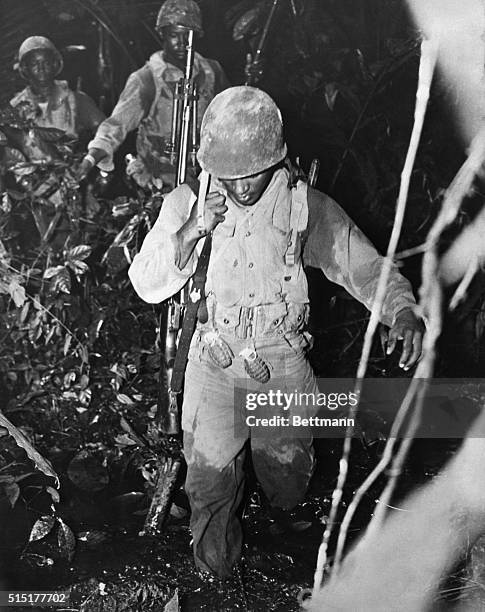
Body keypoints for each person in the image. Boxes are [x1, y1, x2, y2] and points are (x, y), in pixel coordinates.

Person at [128, 86, 425, 578]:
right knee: (208, 488)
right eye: (231, 175)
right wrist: (189, 233)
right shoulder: (186, 202)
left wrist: (402, 310)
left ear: (277, 159)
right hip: (213, 363)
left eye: (254, 173)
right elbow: (145, 283)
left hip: (281, 363)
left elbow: (365, 267)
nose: (242, 187)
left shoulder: (302, 207)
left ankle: (278, 512)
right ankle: (216, 583)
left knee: (286, 484)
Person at [78, 0, 230, 189]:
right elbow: (116, 125)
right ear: (162, 34)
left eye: (188, 36)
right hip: (158, 179)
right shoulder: (146, 80)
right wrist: (91, 158)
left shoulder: (212, 72)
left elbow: (230, 119)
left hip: (206, 176)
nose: (182, 43)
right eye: (174, 35)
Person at [10, 36, 105, 151]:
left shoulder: (76, 100)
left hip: (72, 166)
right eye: (34, 63)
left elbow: (105, 130)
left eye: (46, 62)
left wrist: (90, 157)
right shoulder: (15, 107)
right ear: (25, 69)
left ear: (55, 64)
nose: (41, 68)